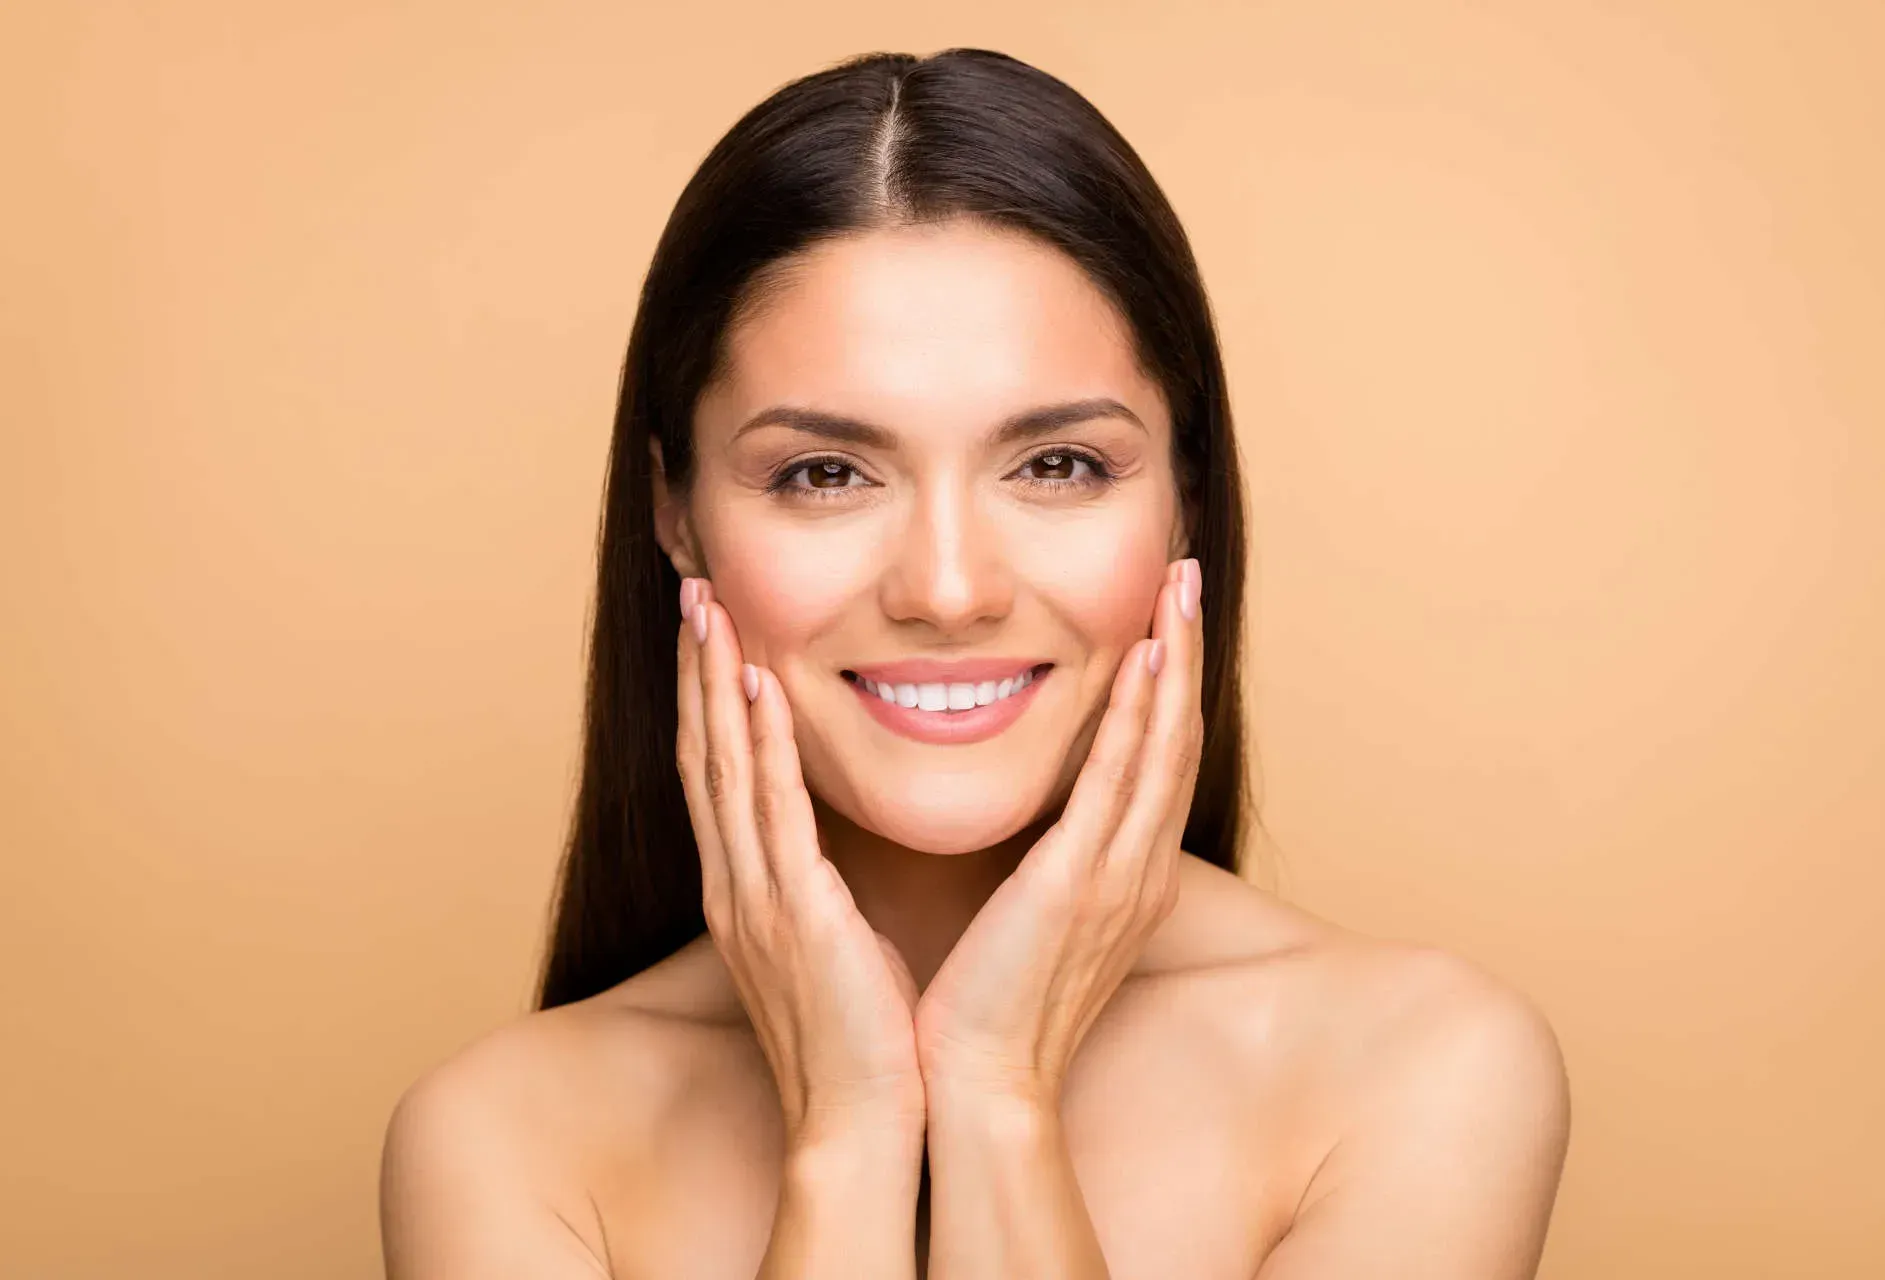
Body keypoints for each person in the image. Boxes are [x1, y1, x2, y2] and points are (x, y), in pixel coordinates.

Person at [378, 47, 1570, 1279]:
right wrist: (847, 1135)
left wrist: (998, 1094)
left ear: (1188, 500)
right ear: (675, 513)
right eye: (824, 473)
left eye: (1056, 464)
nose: (948, 591)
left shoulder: (1423, 1069)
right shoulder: (509, 1138)